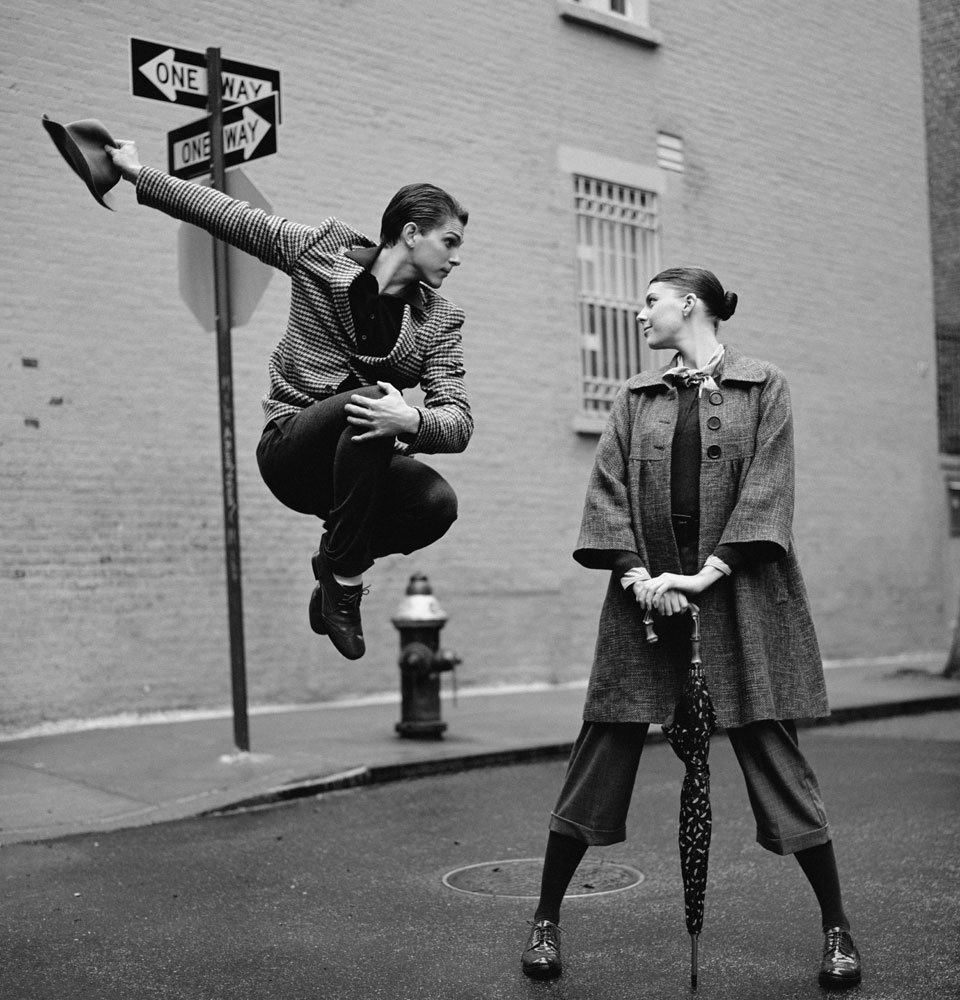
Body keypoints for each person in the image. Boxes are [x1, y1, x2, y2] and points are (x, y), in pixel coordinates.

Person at [519, 267, 861, 990]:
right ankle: (544, 919)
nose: (639, 312)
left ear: (689, 304)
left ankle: (836, 929)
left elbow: (769, 488)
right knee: (600, 751)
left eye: (649, 300)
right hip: (642, 609)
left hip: (734, 601)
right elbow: (606, 492)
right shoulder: (635, 397)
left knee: (774, 757)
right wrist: (638, 577)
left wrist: (704, 576)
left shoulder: (763, 385)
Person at [105, 141, 472, 660]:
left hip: (359, 471)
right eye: (449, 241)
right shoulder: (319, 255)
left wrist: (409, 418)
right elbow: (226, 214)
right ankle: (345, 588)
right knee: (366, 401)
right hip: (293, 450)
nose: (456, 258)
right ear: (411, 234)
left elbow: (458, 419)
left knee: (437, 503)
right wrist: (136, 172)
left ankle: (333, 568)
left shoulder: (439, 320)